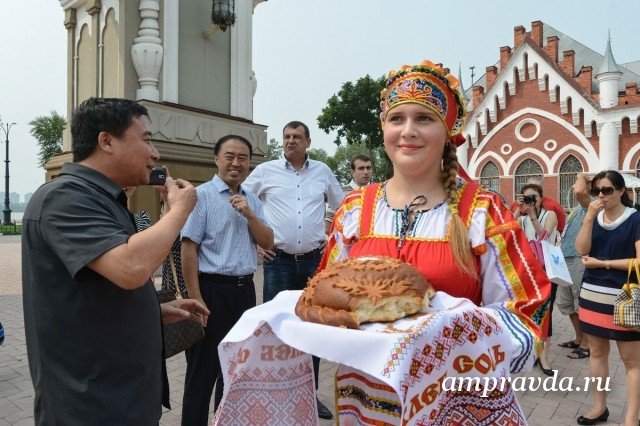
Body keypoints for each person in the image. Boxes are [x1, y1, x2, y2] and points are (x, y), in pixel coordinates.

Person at [321, 60, 551, 423]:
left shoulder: (482, 211)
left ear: (447, 133)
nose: (408, 131)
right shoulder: (353, 210)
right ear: (383, 128)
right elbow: (326, 296)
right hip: (367, 399)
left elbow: (529, 307)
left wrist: (450, 334)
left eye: (424, 119)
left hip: (456, 402)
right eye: (397, 119)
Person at [21, 97, 209, 425]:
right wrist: (180, 210)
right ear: (106, 141)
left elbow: (110, 276)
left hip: (123, 397)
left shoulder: (104, 199)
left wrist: (153, 309)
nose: (155, 154)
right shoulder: (64, 198)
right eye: (147, 140)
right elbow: (130, 268)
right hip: (90, 405)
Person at [243, 120, 344, 420]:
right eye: (286, 136)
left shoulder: (322, 171)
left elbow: (342, 207)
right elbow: (242, 204)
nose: (290, 141)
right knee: (278, 326)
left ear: (308, 142)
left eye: (297, 137)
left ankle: (309, 395)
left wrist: (334, 244)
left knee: (312, 326)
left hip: (315, 262)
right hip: (279, 261)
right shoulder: (265, 172)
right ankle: (278, 391)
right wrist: (254, 241)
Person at [180, 135, 274, 425]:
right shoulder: (201, 196)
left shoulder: (251, 201)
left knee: (234, 371)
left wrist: (249, 214)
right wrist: (196, 297)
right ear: (216, 159)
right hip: (210, 290)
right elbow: (188, 248)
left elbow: (268, 242)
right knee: (202, 371)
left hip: (244, 291)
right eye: (230, 156)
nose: (236, 163)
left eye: (243, 157)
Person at [575, 170, 640, 426]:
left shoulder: (635, 219)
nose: (602, 195)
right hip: (592, 296)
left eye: (608, 190)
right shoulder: (594, 215)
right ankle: (599, 407)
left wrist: (603, 263)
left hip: (626, 299)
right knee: (596, 353)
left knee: (631, 361)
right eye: (598, 190)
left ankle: (631, 417)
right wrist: (589, 217)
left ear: (622, 191)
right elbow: (581, 250)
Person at [513, 183, 559, 376]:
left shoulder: (550, 215)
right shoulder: (522, 218)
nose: (531, 201)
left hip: (547, 271)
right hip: (529, 271)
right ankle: (532, 352)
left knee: (546, 313)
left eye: (534, 197)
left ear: (541, 198)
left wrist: (532, 215)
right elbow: (506, 229)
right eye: (527, 197)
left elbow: (543, 235)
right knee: (529, 312)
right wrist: (518, 209)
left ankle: (544, 357)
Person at [556, 173, 591, 360]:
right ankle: (578, 338)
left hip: (579, 259)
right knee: (566, 303)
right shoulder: (578, 209)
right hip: (565, 259)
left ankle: (587, 344)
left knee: (580, 304)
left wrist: (582, 175)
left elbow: (578, 191)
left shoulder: (591, 204)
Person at [326, 154, 375, 233]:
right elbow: (328, 226)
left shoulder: (379, 192)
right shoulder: (339, 192)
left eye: (368, 168)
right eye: (361, 168)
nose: (366, 172)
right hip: (348, 243)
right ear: (352, 172)